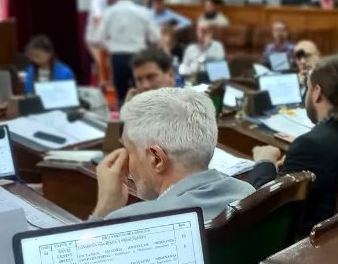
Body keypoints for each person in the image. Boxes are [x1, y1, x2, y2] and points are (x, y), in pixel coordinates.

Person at [92, 88, 253, 222]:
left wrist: (104, 211)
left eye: (130, 151)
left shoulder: (135, 221)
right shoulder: (246, 192)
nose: (127, 162)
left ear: (156, 159)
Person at [251, 56, 338, 236]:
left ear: (317, 92)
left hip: (307, 245)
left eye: (308, 87)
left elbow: (267, 209)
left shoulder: (309, 145)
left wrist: (264, 161)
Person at [93, 0, 159, 106]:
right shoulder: (143, 12)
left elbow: (98, 38)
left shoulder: (109, 12)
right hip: (139, 56)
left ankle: (123, 122)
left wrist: (110, 46)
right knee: (141, 93)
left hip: (117, 57)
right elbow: (156, 37)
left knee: (122, 96)